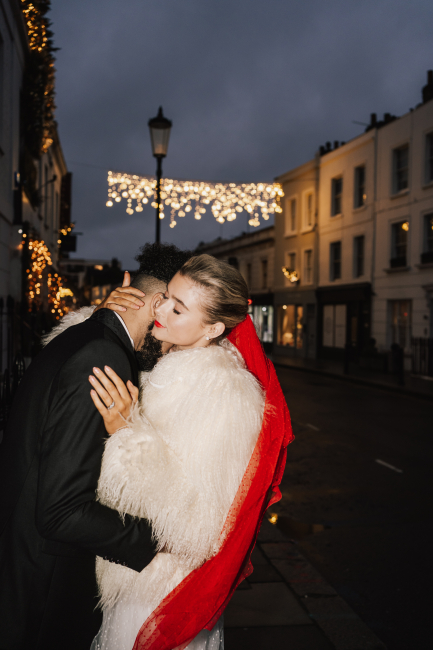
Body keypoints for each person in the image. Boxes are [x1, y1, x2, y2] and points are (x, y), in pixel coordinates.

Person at [62, 253, 291, 650]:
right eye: (166, 296)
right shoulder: (171, 356)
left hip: (160, 592)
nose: (161, 309)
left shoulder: (224, 393)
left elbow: (198, 527)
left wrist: (127, 434)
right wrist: (105, 317)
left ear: (213, 328)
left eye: (178, 308)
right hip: (134, 571)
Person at [0, 243, 192, 650]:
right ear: (158, 303)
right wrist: (161, 541)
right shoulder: (103, 355)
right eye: (173, 312)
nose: (169, 341)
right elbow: (61, 512)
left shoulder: (84, 337)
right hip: (45, 589)